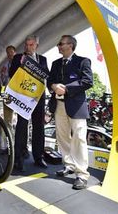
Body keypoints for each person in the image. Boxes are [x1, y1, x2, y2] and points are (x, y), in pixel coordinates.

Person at [47, 35, 93, 190]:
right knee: (62, 136)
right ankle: (69, 165)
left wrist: (66, 88)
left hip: (76, 106)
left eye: (61, 43)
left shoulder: (83, 61)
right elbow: (49, 81)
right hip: (58, 105)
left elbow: (87, 81)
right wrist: (54, 87)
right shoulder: (55, 64)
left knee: (79, 138)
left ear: (70, 45)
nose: (58, 46)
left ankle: (82, 174)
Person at [9, 35, 49, 171]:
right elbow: (11, 74)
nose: (28, 47)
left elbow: (46, 77)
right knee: (21, 127)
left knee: (39, 127)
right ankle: (18, 159)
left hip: (38, 98)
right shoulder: (17, 57)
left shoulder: (43, 59)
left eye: (31, 45)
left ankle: (39, 157)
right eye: (26, 45)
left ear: (36, 46)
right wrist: (20, 64)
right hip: (24, 98)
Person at [0, 45, 16, 133]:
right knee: (7, 118)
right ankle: (9, 138)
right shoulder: (5, 65)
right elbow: (2, 80)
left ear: (15, 52)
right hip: (7, 91)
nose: (9, 54)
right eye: (8, 52)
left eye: (11, 52)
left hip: (18, 92)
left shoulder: (20, 63)